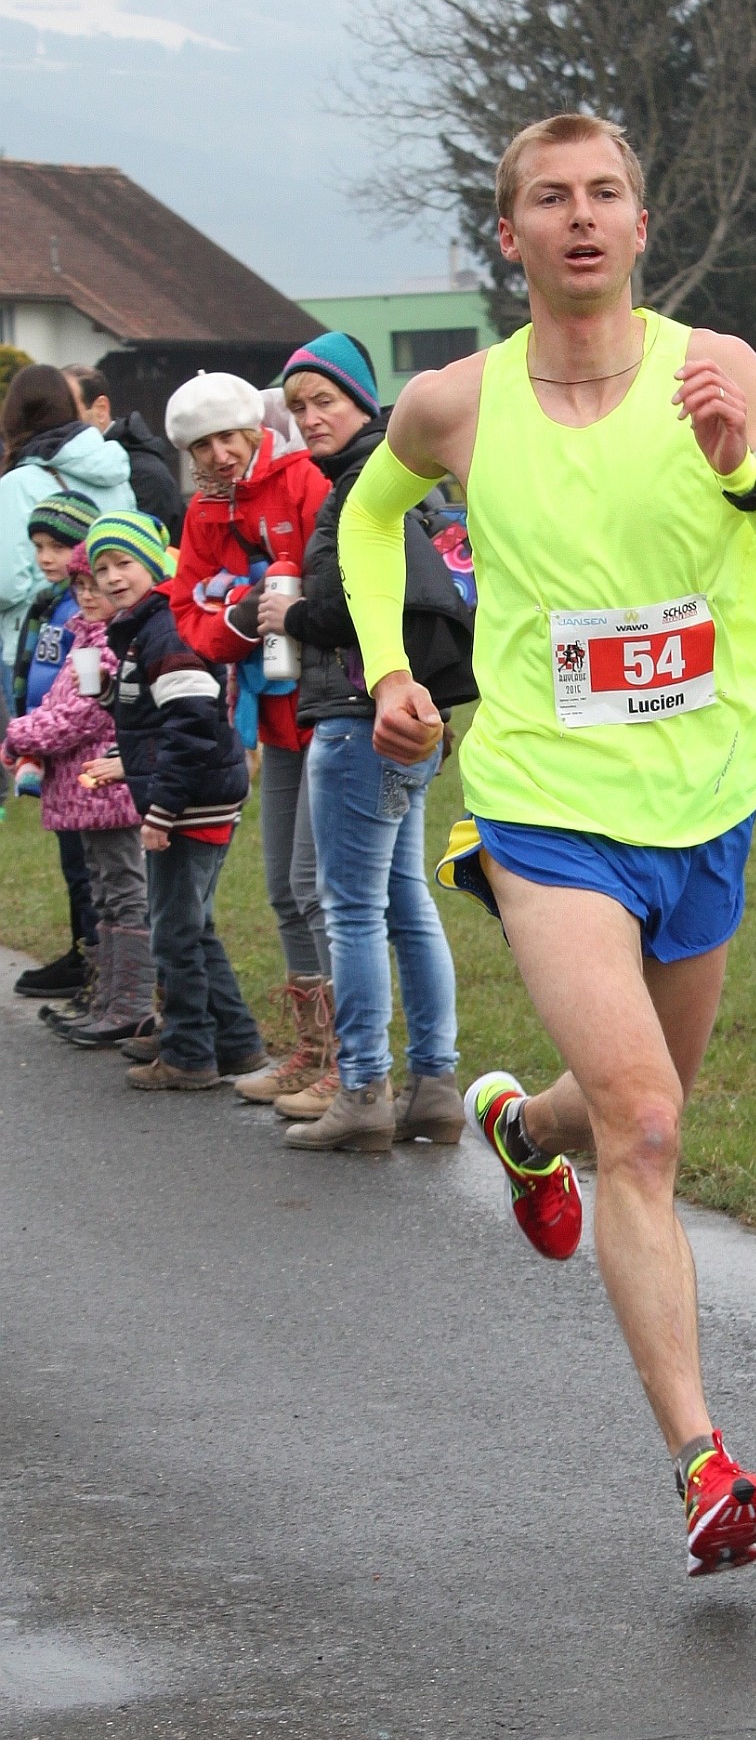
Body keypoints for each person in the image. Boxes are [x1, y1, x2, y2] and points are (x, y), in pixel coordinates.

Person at [335, 114, 756, 1576]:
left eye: (607, 194)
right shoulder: (455, 404)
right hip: (543, 806)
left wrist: (746, 478)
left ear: (641, 222)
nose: (582, 218)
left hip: (704, 807)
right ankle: (704, 1462)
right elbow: (366, 520)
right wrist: (391, 664)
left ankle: (522, 1125)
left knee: (625, 1106)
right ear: (509, 237)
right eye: (550, 200)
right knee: (646, 1127)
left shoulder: (721, 371)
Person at [249, 331, 476, 1151]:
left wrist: (289, 617)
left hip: (359, 715)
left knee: (350, 907)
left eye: (325, 401)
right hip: (414, 717)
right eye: (298, 405)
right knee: (406, 900)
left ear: (365, 402)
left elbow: (358, 609)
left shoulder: (362, 490)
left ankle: (364, 1088)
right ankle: (435, 1087)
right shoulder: (414, 479)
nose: (309, 418)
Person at [165, 372, 335, 1105]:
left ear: (251, 429)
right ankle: (313, 1047)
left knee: (316, 888)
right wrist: (236, 620)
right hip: (272, 720)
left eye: (227, 438)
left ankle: (348, 1060)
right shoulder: (204, 512)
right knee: (279, 891)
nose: (220, 455)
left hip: (330, 707)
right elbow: (187, 609)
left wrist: (273, 604)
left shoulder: (302, 481)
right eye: (203, 446)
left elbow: (336, 581)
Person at [84, 511, 267, 1091]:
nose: (113, 578)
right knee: (194, 924)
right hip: (193, 796)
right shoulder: (145, 632)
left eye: (125, 563)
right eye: (102, 568)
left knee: (174, 931)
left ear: (156, 564)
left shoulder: (167, 631)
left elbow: (188, 728)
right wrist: (111, 691)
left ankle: (189, 1051)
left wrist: (160, 813)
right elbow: (156, 713)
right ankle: (235, 1041)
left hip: (191, 802)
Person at [1, 542, 152, 1047]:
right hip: (85, 795)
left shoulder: (111, 643)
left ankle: (130, 1003)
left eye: (95, 584)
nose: (88, 594)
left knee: (125, 891)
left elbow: (78, 715)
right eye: (81, 585)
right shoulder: (85, 637)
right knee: (104, 892)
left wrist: (19, 734)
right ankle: (106, 997)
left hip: (109, 791)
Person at [8, 492, 101, 1000]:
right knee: (73, 860)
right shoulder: (47, 602)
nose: (46, 556)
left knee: (93, 865)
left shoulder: (84, 605)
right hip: (51, 746)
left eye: (59, 546)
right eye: (39, 545)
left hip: (81, 747)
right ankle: (82, 951)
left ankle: (96, 959)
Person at [0, 364, 134, 706]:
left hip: (36, 642)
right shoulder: (113, 469)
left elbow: (7, 583)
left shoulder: (18, 483)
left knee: (35, 744)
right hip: (113, 632)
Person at [63, 364, 185, 544]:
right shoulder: (65, 466)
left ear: (101, 409)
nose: (59, 423)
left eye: (69, 411)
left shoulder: (144, 475)